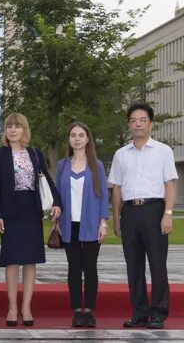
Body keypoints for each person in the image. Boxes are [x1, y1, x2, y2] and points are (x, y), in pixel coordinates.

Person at [109, 102, 177, 330]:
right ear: (129, 124)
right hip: (130, 213)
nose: (138, 124)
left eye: (142, 120)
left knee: (157, 264)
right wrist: (116, 218)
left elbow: (170, 184)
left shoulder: (163, 151)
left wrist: (168, 214)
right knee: (133, 265)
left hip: (154, 210)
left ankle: (158, 313)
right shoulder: (121, 154)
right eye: (133, 120)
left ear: (150, 123)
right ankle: (139, 312)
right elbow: (116, 188)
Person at [0, 112, 57, 326]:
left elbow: (46, 180)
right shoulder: (0, 154)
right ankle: (12, 306)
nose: (12, 130)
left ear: (24, 130)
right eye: (9, 126)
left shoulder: (35, 152)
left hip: (31, 209)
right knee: (11, 260)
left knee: (30, 260)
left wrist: (57, 202)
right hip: (10, 212)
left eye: (17, 126)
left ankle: (26, 306)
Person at [53, 121, 110, 328]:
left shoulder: (97, 165)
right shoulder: (62, 165)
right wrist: (57, 219)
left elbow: (103, 195)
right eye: (73, 135)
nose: (77, 138)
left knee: (90, 267)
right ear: (69, 140)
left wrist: (103, 222)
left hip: (91, 223)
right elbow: (57, 195)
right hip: (70, 224)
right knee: (74, 268)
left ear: (87, 139)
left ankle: (90, 311)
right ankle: (77, 311)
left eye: (81, 135)